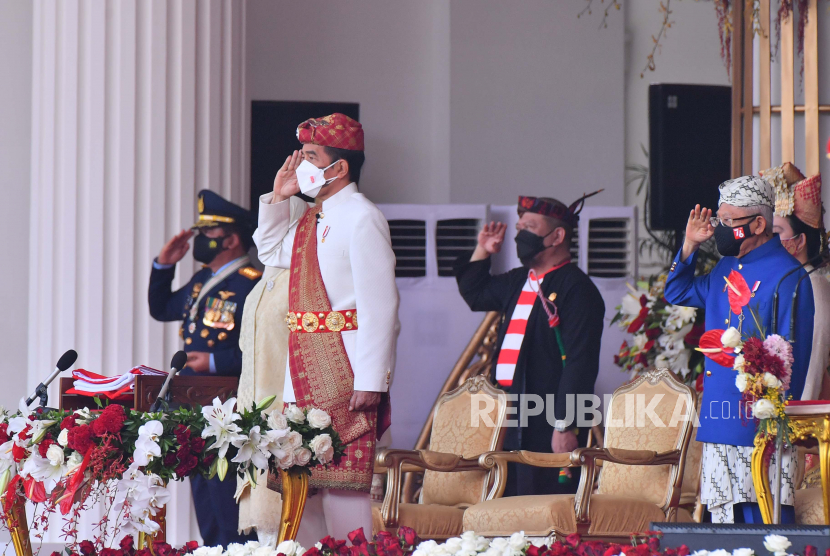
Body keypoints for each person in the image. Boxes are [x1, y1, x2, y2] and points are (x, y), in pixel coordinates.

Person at [253, 113, 399, 540]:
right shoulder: (310, 217)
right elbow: (270, 252)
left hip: (345, 368)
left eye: (311, 157)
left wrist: (373, 379)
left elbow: (381, 305)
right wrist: (280, 198)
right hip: (300, 370)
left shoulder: (362, 216)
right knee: (302, 491)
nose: (300, 165)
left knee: (343, 494)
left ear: (339, 168)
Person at [664, 175, 815, 524]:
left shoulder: (788, 276)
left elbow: (796, 358)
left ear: (758, 224)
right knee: (723, 524)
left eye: (729, 222)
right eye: (721, 220)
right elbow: (677, 292)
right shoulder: (725, 267)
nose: (720, 228)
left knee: (764, 523)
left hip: (759, 423)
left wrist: (774, 416)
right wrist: (689, 245)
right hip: (719, 418)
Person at [454, 193, 605, 497]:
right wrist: (484, 250)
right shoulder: (518, 280)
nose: (520, 234)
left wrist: (565, 425)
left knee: (544, 504)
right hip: (506, 413)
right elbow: (475, 293)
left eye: (530, 227)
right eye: (519, 226)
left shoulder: (576, 288)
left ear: (557, 236)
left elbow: (581, 362)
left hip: (547, 417)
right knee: (505, 500)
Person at [148, 189, 261, 547]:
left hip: (229, 399)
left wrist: (214, 361)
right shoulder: (201, 281)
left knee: (225, 490)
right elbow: (162, 308)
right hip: (193, 399)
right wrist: (164, 265)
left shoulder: (250, 282)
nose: (201, 241)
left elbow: (263, 350)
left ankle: (238, 552)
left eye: (208, 235)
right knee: (203, 490)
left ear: (231, 238)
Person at [766, 164, 829, 400]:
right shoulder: (785, 281)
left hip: (801, 414)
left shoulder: (814, 283)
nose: (768, 241)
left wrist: (799, 415)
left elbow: (816, 355)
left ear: (800, 240)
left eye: (776, 233)